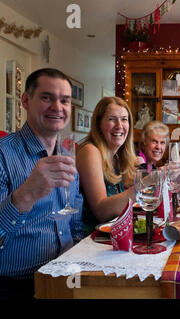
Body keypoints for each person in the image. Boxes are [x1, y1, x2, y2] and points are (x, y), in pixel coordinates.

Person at [0, 68, 83, 298]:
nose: (57, 107)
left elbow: (74, 223)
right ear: (26, 101)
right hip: (14, 286)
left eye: (64, 100)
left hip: (64, 278)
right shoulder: (3, 154)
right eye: (47, 97)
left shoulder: (68, 157)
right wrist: (27, 194)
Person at [76, 97, 137, 234]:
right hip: (90, 240)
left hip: (112, 236)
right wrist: (144, 186)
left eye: (124, 119)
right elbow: (101, 212)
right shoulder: (90, 151)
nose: (119, 126)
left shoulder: (117, 156)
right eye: (112, 119)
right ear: (98, 124)